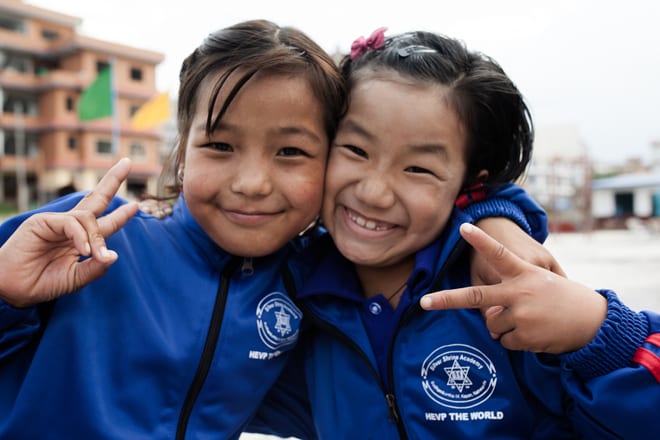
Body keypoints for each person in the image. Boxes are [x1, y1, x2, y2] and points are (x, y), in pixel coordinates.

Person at [0, 20, 549, 439]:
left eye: (291, 151)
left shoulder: (311, 281)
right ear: (182, 148)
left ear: (329, 159)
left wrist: (496, 219)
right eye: (220, 146)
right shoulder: (85, 235)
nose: (253, 183)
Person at [250, 28, 660, 439]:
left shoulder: (504, 296)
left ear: (466, 182)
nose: (373, 192)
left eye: (419, 169)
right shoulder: (289, 297)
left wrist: (597, 330)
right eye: (356, 151)